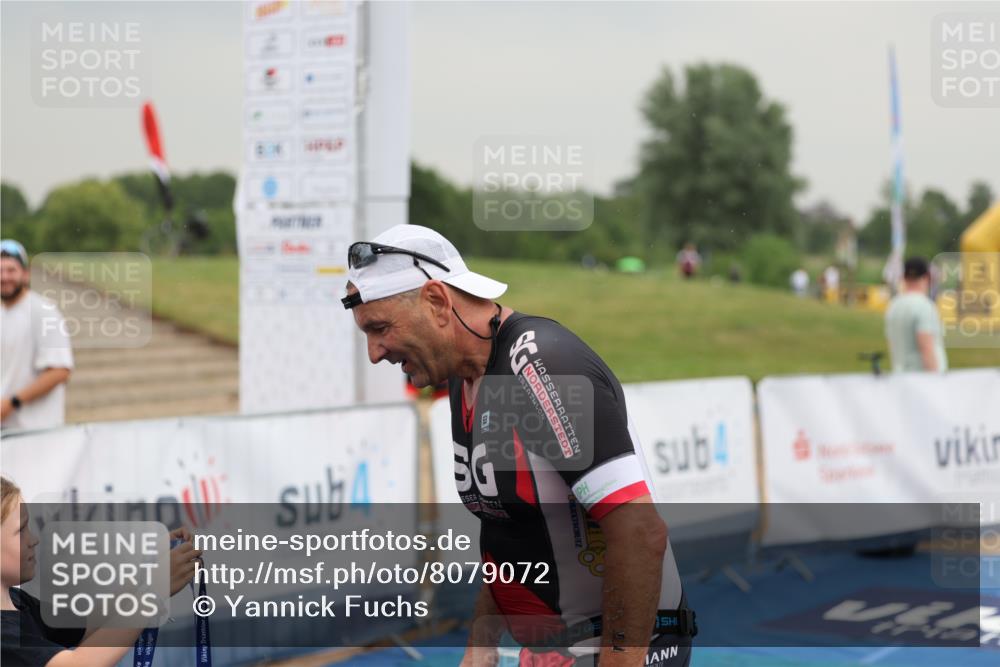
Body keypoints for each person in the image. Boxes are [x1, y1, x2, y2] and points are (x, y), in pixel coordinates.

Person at [342, 225, 694, 667]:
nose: (375, 352)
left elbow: (640, 533)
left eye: (380, 328)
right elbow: (508, 525)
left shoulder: (541, 364)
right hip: (553, 651)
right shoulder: (466, 377)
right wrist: (483, 639)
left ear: (436, 301)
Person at [1, 476, 203, 666]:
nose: (33, 540)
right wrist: (153, 592)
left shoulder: (17, 601)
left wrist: (146, 571)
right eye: (20, 531)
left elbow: (90, 622)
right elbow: (78, 663)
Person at [1, 240, 74, 430]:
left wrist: (12, 403)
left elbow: (60, 371)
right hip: (6, 433)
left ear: (25, 274)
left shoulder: (44, 311)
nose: (4, 277)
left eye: (11, 270)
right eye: (0, 271)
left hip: (37, 432)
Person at [884, 257, 948, 372]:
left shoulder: (893, 305)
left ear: (904, 276)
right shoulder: (925, 306)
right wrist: (937, 382)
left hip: (899, 377)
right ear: (927, 277)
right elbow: (926, 348)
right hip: (921, 381)